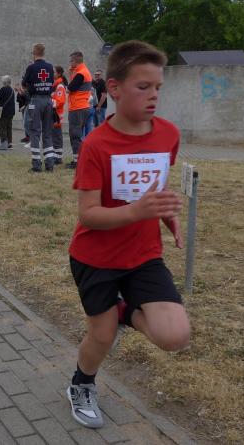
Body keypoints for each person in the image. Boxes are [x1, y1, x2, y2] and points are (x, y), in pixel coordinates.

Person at [66, 40, 190, 429]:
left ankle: (122, 310)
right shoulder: (96, 144)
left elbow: (154, 185)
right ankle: (81, 385)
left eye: (158, 88)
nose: (154, 95)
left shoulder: (168, 134)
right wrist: (137, 211)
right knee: (102, 337)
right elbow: (88, 214)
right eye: (143, 87)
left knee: (175, 335)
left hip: (143, 255)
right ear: (115, 88)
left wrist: (165, 214)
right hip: (96, 258)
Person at [21, 43, 55, 172]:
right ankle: (50, 164)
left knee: (35, 132)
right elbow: (51, 83)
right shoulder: (50, 67)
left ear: (34, 53)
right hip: (48, 101)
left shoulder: (31, 67)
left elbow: (24, 84)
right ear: (43, 53)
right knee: (47, 133)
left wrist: (30, 88)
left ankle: (36, 165)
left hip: (36, 100)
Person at [66, 51, 93, 170]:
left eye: (71, 61)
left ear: (75, 61)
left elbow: (70, 88)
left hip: (77, 108)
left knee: (75, 135)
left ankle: (77, 162)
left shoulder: (80, 73)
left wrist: (71, 73)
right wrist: (72, 72)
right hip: (83, 107)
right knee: (78, 135)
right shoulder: (83, 71)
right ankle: (80, 159)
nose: (70, 63)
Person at [0, 76, 16, 150]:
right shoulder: (12, 90)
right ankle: (10, 143)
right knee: (9, 127)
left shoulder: (3, 89)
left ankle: (3, 144)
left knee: (2, 127)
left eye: (2, 81)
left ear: (4, 82)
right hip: (11, 112)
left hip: (3, 111)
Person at [52, 66, 68, 164]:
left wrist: (49, 102)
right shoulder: (55, 85)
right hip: (54, 115)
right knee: (54, 136)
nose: (52, 73)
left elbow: (60, 101)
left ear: (58, 74)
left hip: (57, 116)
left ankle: (58, 158)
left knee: (57, 136)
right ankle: (55, 156)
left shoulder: (60, 86)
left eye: (54, 72)